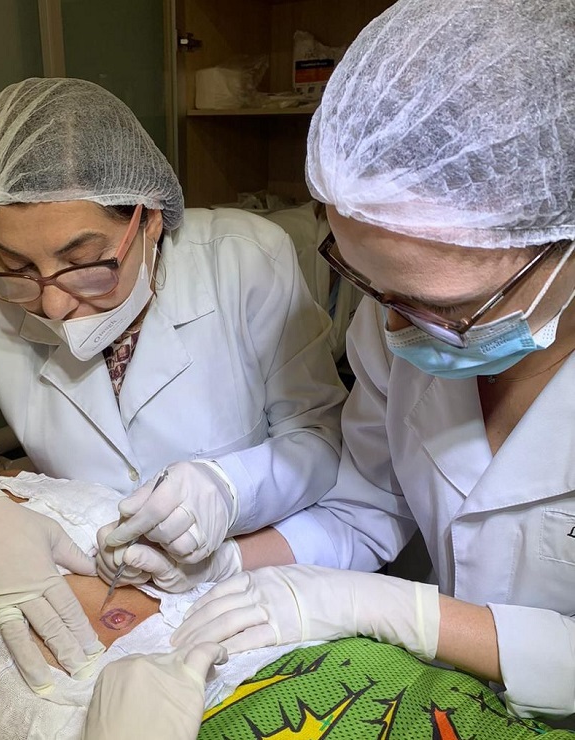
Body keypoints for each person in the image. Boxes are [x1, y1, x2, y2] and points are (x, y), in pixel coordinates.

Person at [172, 0, 575, 726]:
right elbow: (367, 509)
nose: (393, 328)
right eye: (370, 286)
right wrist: (228, 562)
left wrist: (409, 615)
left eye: (444, 305)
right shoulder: (400, 324)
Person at [0, 77, 345, 695]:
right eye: (17, 266)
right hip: (103, 589)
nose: (51, 303)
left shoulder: (244, 258)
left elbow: (319, 438)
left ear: (150, 220)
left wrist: (229, 488)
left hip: (256, 579)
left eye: (84, 264)